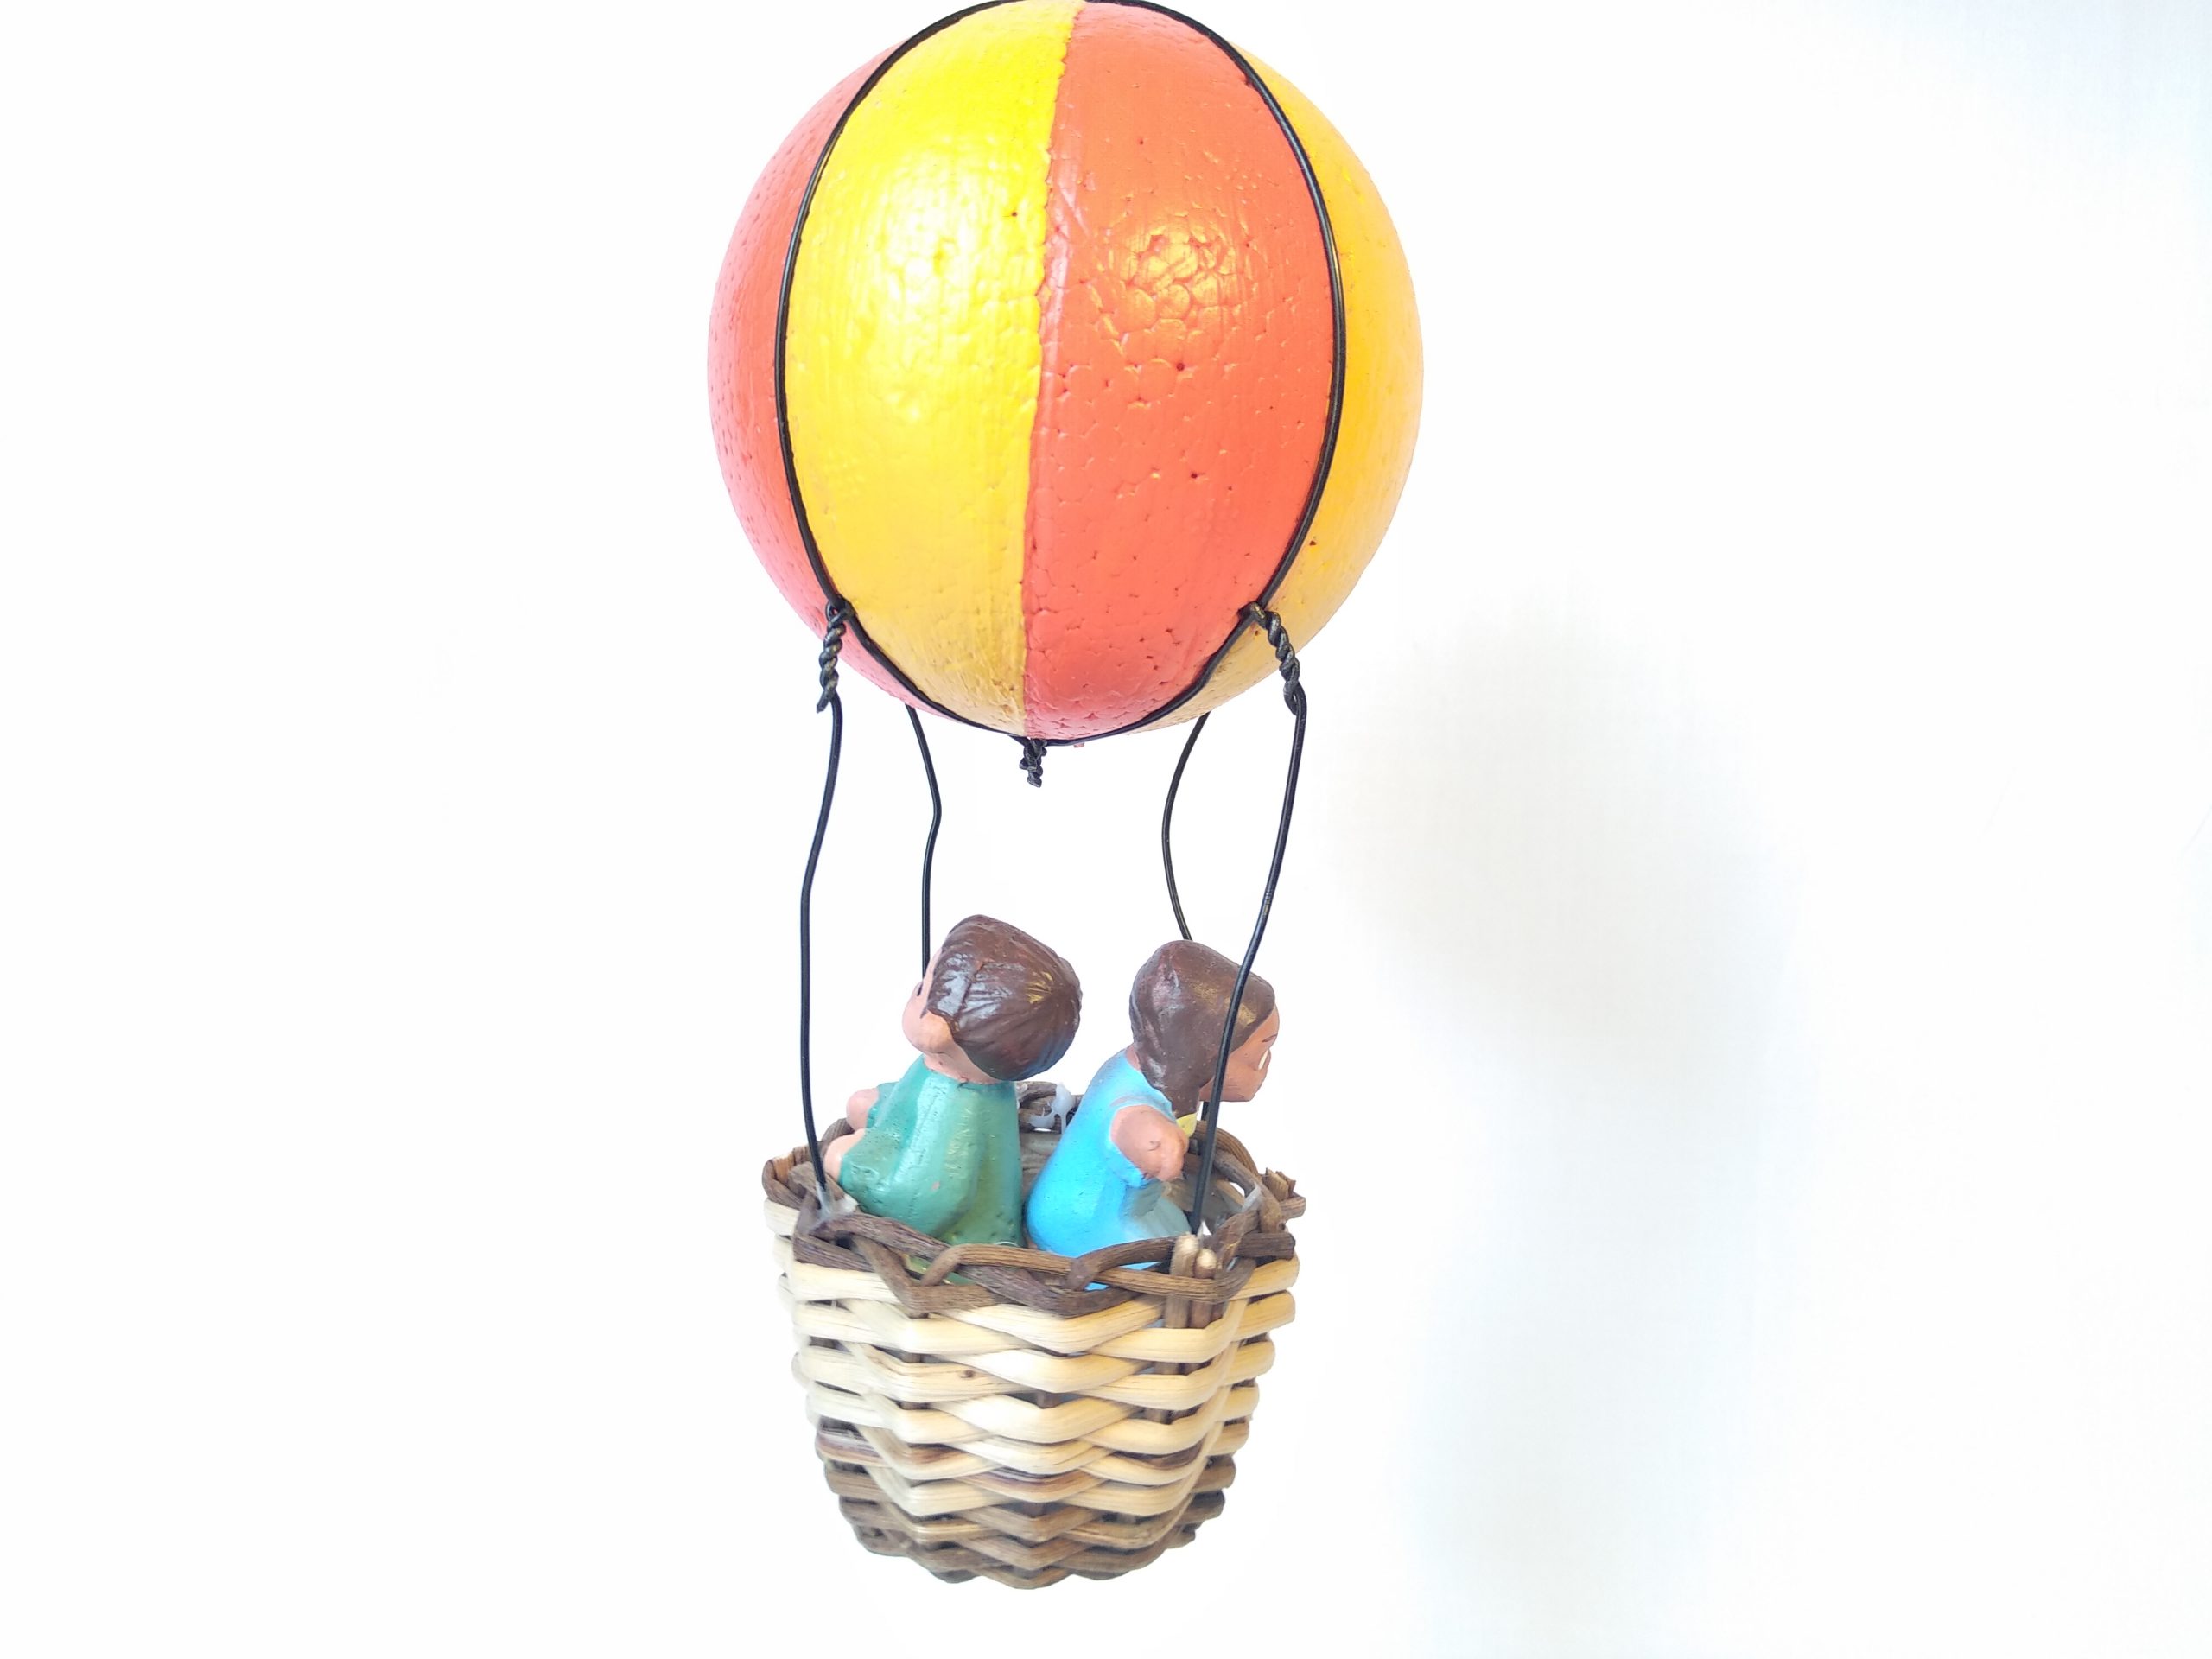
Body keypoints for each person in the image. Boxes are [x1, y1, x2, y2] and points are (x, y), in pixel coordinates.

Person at [823, 915, 1080, 1247]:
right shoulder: (956, 1073)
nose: (915, 991)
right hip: (912, 1150)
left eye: (921, 990)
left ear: (940, 1029)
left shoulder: (959, 1104)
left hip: (954, 1244)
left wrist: (852, 1166)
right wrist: (878, 1110)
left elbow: (926, 1198)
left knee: (836, 1155)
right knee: (862, 1103)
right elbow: (914, 1109)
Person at [1026, 941, 1279, 1261]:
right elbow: (1130, 1122)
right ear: (1202, 1053)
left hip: (1129, 1206)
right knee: (1166, 1264)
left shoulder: (1142, 1066)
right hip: (1084, 1220)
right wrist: (1158, 1144)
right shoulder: (1137, 1103)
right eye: (1258, 1057)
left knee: (1182, 1235)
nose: (1264, 1067)